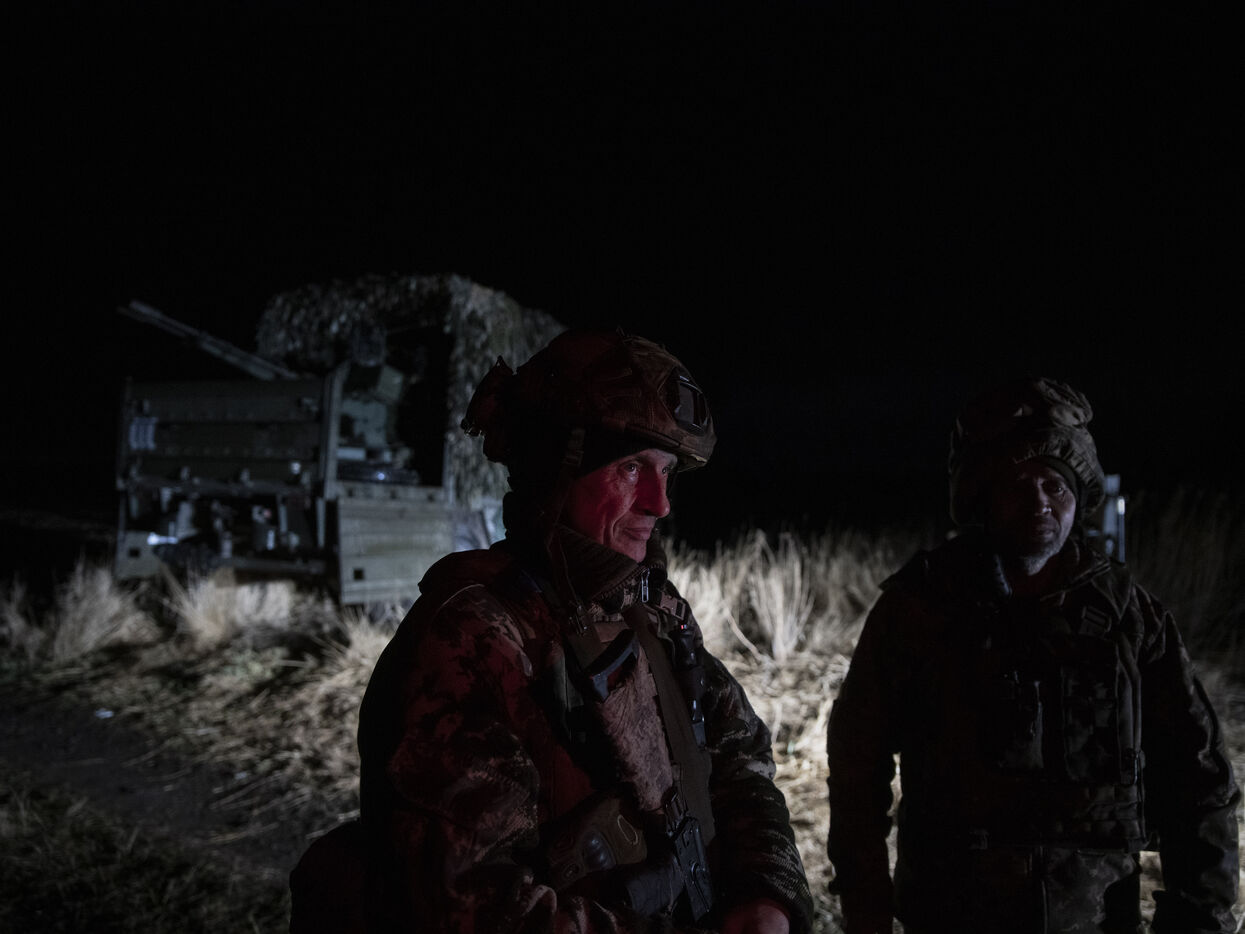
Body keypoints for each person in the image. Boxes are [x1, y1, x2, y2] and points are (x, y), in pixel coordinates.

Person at [340, 329, 812, 932]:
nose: (660, 503)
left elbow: (739, 756)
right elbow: (476, 907)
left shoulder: (651, 610)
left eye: (667, 471)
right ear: (554, 473)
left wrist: (766, 892)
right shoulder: (474, 640)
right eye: (631, 467)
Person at [825, 376, 1240, 934]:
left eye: (1055, 485)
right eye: (1017, 484)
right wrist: (867, 907)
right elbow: (857, 765)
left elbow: (1199, 779)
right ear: (983, 497)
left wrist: (1198, 919)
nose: (1040, 501)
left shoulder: (1129, 618)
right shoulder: (920, 609)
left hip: (1096, 921)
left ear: (1076, 498)